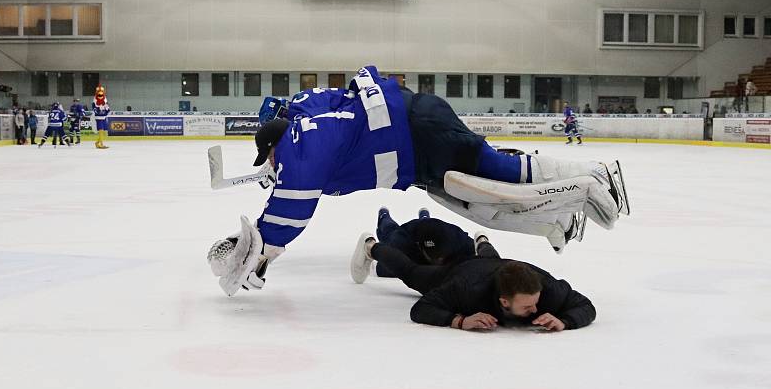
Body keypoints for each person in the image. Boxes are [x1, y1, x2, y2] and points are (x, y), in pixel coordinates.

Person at [207, 66, 629, 296]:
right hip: (412, 145)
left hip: (417, 132)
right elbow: (299, 177)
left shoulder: (303, 140)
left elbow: (295, 198)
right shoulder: (306, 113)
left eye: (271, 156)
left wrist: (259, 248)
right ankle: (557, 221)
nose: (273, 165)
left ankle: (595, 175)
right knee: (477, 202)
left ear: (280, 140)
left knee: (495, 172)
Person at [351, 221, 596, 331]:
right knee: (411, 272)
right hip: (460, 270)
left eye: (535, 302)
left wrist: (566, 321)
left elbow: (585, 306)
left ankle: (483, 242)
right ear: (504, 301)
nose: (536, 309)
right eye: (527, 306)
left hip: (500, 265)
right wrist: (459, 320)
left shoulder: (547, 291)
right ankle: (371, 246)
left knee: (492, 259)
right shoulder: (466, 288)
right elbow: (421, 309)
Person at [352, 206, 498, 283]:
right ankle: (384, 215)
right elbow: (384, 265)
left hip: (437, 232)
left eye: (440, 255)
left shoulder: (459, 240)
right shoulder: (403, 242)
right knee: (388, 231)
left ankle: (425, 217)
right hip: (411, 233)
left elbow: (482, 260)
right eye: (434, 256)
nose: (438, 260)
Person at [92, 85, 110, 149]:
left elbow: (107, 105)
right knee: (101, 130)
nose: (100, 93)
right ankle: (101, 144)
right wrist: (97, 110)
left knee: (104, 131)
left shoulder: (105, 98)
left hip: (104, 116)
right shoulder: (95, 99)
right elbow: (94, 107)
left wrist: (107, 110)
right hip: (99, 117)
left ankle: (97, 142)